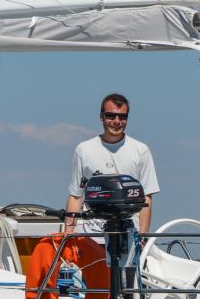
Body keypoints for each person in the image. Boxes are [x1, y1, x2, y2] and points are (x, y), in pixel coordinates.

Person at [65, 92, 160, 235]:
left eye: (122, 117)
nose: (117, 121)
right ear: (101, 117)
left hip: (128, 235)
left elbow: (146, 198)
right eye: (111, 116)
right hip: (90, 236)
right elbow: (75, 196)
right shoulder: (84, 149)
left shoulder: (141, 150)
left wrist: (142, 238)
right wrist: (68, 234)